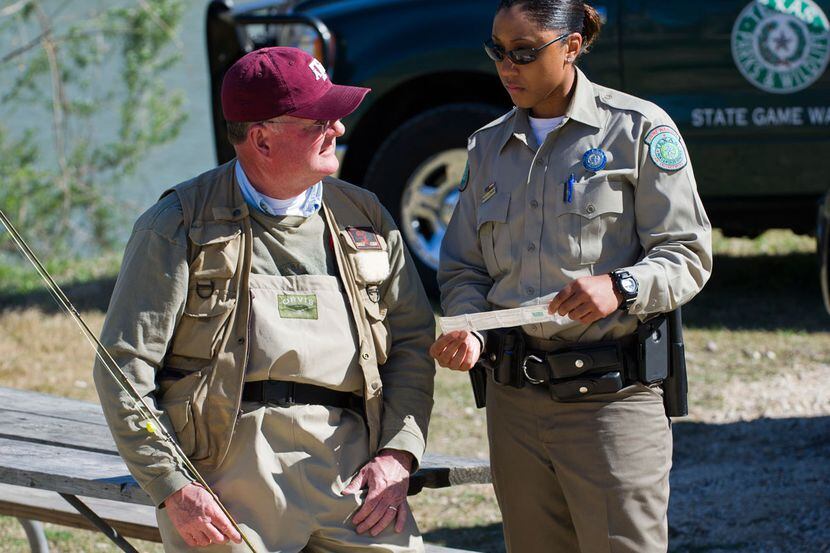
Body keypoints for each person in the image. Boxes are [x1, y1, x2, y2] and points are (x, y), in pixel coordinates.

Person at [93, 47, 435, 553]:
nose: (338, 129)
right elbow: (124, 369)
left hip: (353, 470)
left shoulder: (365, 215)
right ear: (262, 139)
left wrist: (398, 455)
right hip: (227, 475)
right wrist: (174, 487)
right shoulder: (177, 224)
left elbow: (412, 342)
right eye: (319, 119)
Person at [430, 1, 712, 552]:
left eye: (524, 53)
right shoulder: (488, 146)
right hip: (515, 403)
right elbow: (464, 266)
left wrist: (622, 287)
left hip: (611, 403)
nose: (507, 67)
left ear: (573, 46)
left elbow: (688, 254)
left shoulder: (636, 130)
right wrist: (470, 327)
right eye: (497, 51)